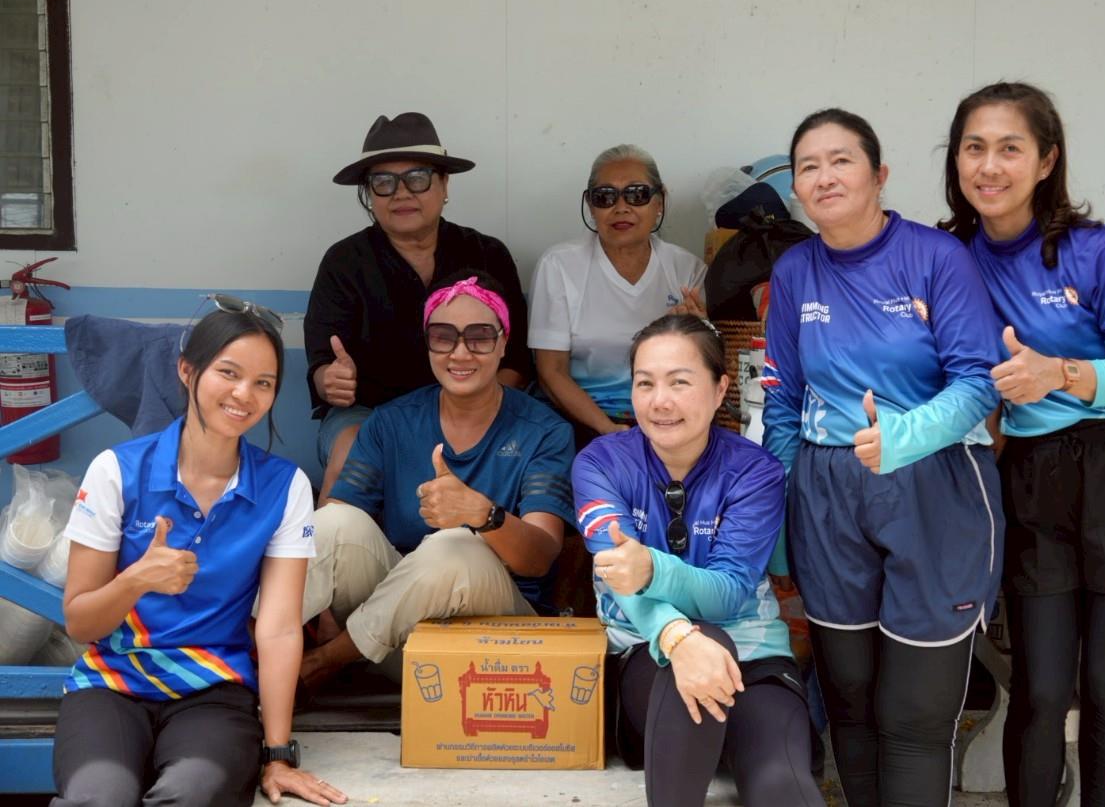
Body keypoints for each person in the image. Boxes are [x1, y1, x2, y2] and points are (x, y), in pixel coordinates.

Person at [938, 81, 1105, 807]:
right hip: (1032, 478)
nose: (990, 166)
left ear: (1047, 160)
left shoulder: (1094, 250)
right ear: (955, 159)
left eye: (1010, 148)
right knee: (1040, 688)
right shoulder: (949, 256)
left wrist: (1062, 372)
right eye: (974, 147)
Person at [762, 108, 1005, 804]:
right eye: (808, 166)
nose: (824, 177)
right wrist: (778, 512)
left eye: (841, 160)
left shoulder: (936, 257)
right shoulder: (795, 270)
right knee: (851, 698)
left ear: (879, 174)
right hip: (828, 493)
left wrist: (906, 436)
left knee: (915, 715)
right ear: (796, 188)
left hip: (934, 485)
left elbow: (978, 381)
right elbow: (782, 401)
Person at [53, 298, 345, 807]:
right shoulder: (116, 471)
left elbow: (278, 629)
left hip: (214, 688)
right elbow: (80, 622)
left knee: (191, 794)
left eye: (263, 383)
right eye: (228, 373)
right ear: (187, 371)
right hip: (112, 684)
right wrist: (136, 579)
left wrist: (278, 754)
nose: (244, 394)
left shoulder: (285, 487)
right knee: (98, 798)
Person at [573, 314, 824, 807]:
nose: (659, 401)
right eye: (645, 383)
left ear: (719, 389)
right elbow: (619, 576)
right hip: (647, 657)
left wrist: (653, 569)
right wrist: (677, 636)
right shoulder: (601, 463)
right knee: (702, 646)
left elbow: (727, 593)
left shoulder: (754, 471)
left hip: (754, 659)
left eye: (680, 382)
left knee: (780, 781)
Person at [298, 271, 574, 690]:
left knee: (454, 545)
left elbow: (539, 558)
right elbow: (332, 535)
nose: (460, 352)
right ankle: (241, 652)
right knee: (333, 522)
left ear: (503, 344)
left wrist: (484, 516)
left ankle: (322, 663)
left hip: (494, 645)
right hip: (398, 641)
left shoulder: (544, 431)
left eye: (480, 337)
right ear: (428, 344)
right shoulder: (392, 421)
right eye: (444, 337)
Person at [305, 112, 532, 500]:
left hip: (474, 405)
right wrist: (331, 381)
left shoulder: (487, 254)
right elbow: (322, 366)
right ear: (369, 194)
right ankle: (329, 540)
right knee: (350, 452)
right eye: (383, 182)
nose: (401, 193)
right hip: (371, 410)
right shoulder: (344, 262)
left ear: (444, 184)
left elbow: (517, 362)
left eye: (417, 178)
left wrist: (476, 407)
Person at [530, 143, 706, 448]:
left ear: (660, 201)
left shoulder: (686, 269)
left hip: (666, 417)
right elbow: (551, 372)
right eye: (605, 197)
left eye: (636, 194)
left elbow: (701, 371)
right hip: (579, 420)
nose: (621, 207)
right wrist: (606, 428)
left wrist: (700, 334)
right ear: (591, 206)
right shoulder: (559, 266)